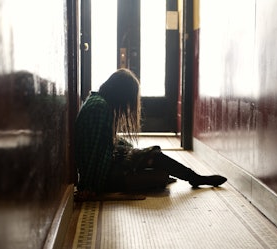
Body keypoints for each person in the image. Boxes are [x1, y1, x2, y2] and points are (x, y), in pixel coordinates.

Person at [74, 68, 227, 200]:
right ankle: (194, 178)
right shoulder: (100, 108)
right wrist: (90, 187)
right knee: (159, 173)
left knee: (154, 160)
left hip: (105, 170)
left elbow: (100, 146)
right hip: (103, 178)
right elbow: (95, 154)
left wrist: (129, 152)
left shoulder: (97, 101)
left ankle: (193, 178)